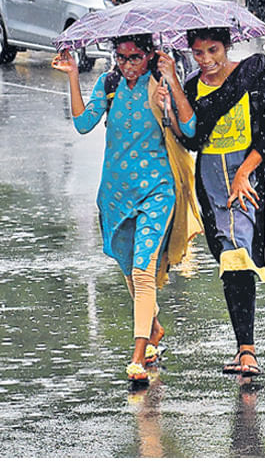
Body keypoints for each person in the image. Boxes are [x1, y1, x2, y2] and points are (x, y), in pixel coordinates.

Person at [52, 34, 200, 385]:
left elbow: (190, 130)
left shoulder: (160, 83)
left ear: (150, 55)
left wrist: (171, 96)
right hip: (116, 194)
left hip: (157, 191)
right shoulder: (109, 83)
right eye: (120, 57)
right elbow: (83, 123)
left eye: (135, 57)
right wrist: (73, 74)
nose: (127, 64)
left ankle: (138, 354)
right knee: (130, 270)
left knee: (143, 269)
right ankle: (155, 328)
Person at [155, 27, 265, 379]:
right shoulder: (191, 86)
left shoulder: (254, 76)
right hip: (210, 184)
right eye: (199, 53)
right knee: (229, 259)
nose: (207, 60)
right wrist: (169, 101)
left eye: (213, 50)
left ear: (227, 46)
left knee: (236, 257)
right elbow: (191, 138)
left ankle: (247, 351)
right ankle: (243, 348)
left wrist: (242, 174)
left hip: (248, 178)